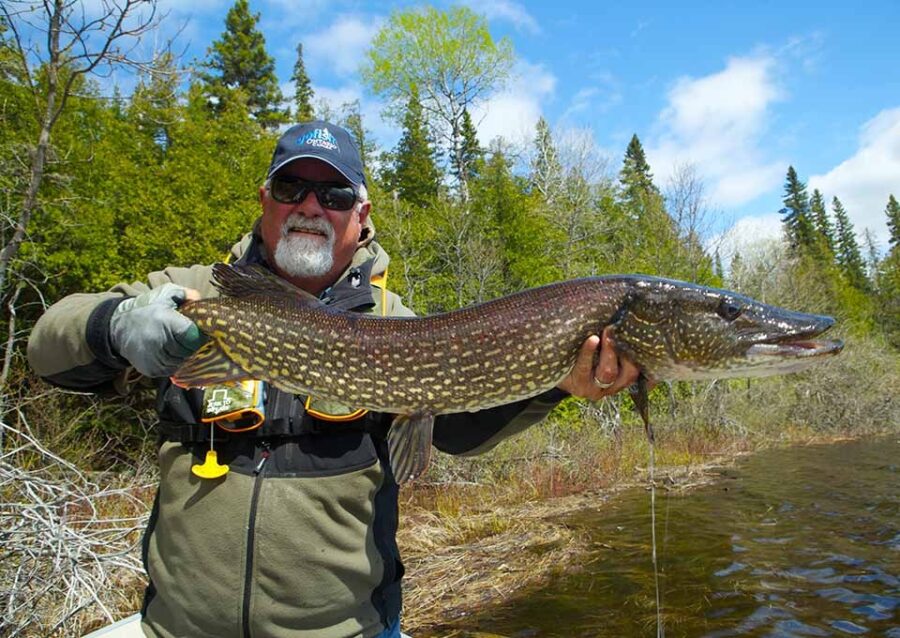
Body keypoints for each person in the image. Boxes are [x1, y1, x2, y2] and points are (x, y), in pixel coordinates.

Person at [27, 121, 639, 638]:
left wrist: (553, 384)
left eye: (335, 194)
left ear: (361, 213)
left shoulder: (395, 322)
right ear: (265, 198)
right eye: (293, 186)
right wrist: (115, 326)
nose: (311, 207)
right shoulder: (194, 289)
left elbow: (454, 432)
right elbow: (46, 344)